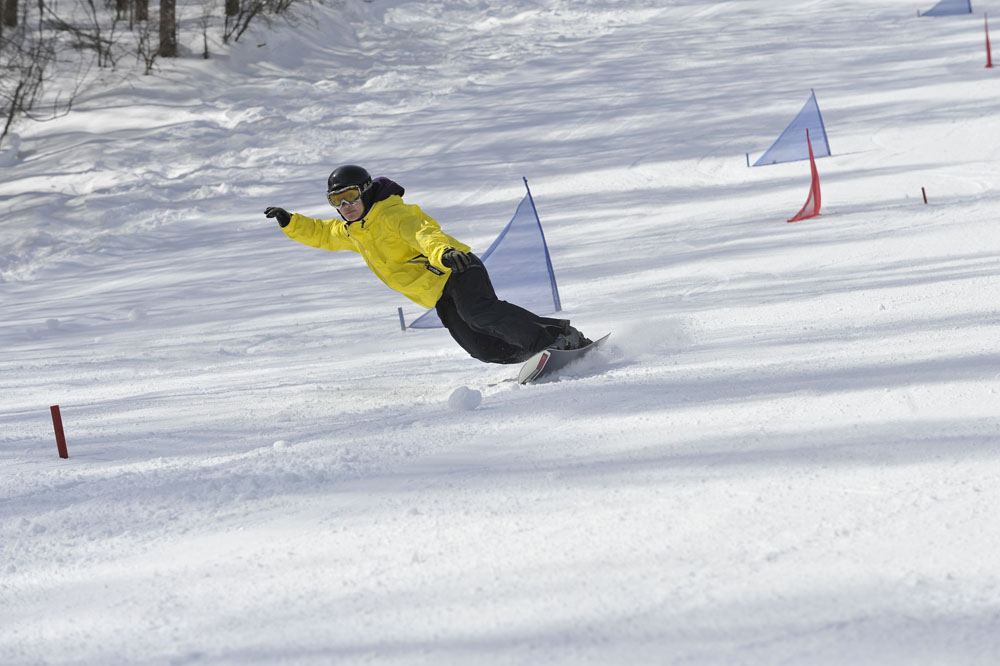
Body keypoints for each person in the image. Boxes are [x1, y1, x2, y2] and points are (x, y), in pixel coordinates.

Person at [265, 165, 590, 365]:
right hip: (437, 293)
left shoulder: (394, 215)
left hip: (455, 268)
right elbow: (323, 233)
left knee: (479, 313)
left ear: (365, 191)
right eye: (337, 200)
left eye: (350, 195)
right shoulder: (354, 230)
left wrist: (444, 252)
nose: (346, 205)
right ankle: (540, 349)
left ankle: (553, 340)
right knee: (482, 348)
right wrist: (290, 222)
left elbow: (424, 234)